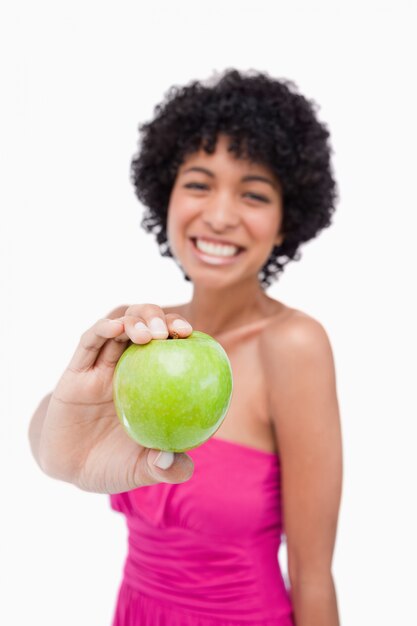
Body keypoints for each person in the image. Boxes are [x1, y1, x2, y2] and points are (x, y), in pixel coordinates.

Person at [29, 69, 343, 625]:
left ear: (285, 221)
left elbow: (313, 577)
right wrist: (63, 436)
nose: (220, 215)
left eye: (254, 193)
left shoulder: (294, 346)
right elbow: (50, 447)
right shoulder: (143, 335)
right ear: (165, 195)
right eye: (199, 183)